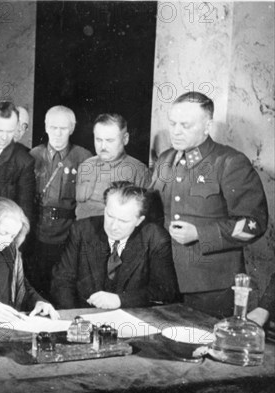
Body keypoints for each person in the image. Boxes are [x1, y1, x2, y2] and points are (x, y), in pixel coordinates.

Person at [150, 92, 268, 317]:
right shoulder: (165, 159)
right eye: (173, 123)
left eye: (185, 125)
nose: (176, 131)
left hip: (211, 285)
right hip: (165, 278)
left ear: (207, 126)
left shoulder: (230, 162)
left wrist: (201, 234)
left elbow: (255, 223)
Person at [52, 182, 179, 309]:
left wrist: (120, 300)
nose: (113, 226)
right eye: (110, 216)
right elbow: (62, 281)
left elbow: (165, 292)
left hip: (131, 320)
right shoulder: (81, 230)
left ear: (139, 221)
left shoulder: (155, 238)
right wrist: (74, 319)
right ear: (105, 209)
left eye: (123, 221)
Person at [28, 106, 92, 298]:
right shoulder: (33, 156)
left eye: (63, 128)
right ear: (46, 127)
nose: (57, 133)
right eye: (53, 127)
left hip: (67, 233)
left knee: (62, 285)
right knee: (35, 282)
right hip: (37, 232)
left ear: (72, 129)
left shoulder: (83, 158)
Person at [76, 113, 150, 219]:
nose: (103, 146)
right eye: (98, 140)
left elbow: (146, 214)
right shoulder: (85, 166)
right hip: (81, 232)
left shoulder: (139, 171)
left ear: (125, 139)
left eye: (109, 140)